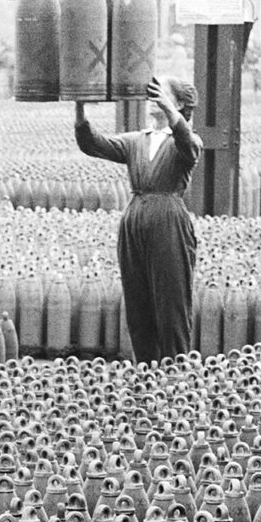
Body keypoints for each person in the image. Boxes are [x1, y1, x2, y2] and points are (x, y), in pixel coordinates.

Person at [74, 76, 202, 363]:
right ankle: (146, 367)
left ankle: (177, 368)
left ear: (178, 103)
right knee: (137, 299)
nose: (152, 98)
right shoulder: (137, 141)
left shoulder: (185, 140)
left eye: (162, 94)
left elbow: (187, 142)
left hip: (168, 216)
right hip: (135, 217)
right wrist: (80, 110)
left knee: (171, 298)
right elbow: (94, 144)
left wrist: (170, 112)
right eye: (153, 94)